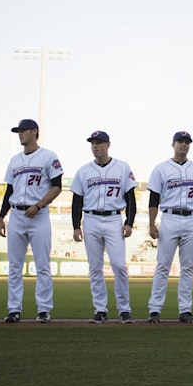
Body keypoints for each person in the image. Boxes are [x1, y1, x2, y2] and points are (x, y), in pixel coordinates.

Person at [0, 119, 63, 323]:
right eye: (18, 131)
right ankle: (14, 309)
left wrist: (40, 205)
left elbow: (57, 186)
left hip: (39, 215)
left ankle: (43, 309)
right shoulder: (14, 160)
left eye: (24, 131)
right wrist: (1, 216)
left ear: (34, 132)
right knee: (15, 266)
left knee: (42, 265)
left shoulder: (48, 156)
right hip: (16, 214)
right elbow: (10, 190)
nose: (20, 134)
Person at [70, 130, 137, 324]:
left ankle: (124, 309)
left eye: (99, 142)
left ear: (108, 145)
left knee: (118, 265)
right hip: (90, 219)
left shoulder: (122, 167)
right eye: (93, 143)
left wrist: (129, 222)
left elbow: (130, 197)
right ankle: (100, 309)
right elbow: (77, 200)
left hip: (113, 219)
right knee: (95, 267)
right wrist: (76, 226)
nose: (95, 146)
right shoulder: (84, 170)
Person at [147, 131, 193, 323]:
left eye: (187, 142)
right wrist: (151, 223)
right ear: (173, 144)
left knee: (188, 267)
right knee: (163, 266)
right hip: (170, 217)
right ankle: (154, 309)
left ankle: (185, 310)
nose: (183, 145)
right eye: (180, 142)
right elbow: (153, 199)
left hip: (192, 218)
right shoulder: (161, 168)